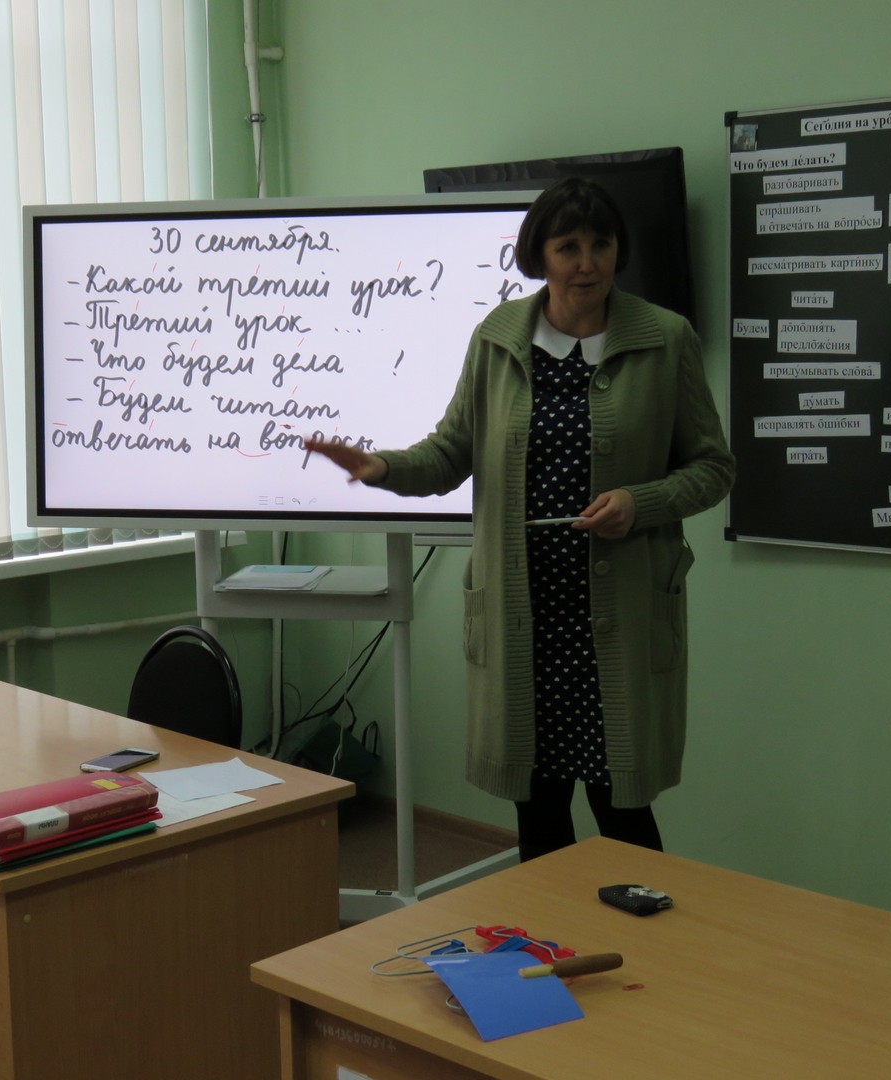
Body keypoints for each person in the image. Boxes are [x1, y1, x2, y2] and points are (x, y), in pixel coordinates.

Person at [304, 178, 734, 860]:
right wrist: (380, 467)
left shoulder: (665, 338)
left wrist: (639, 503)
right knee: (538, 810)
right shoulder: (498, 338)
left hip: (618, 618)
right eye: (569, 248)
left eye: (601, 245)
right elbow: (450, 454)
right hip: (524, 615)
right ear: (540, 256)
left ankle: (645, 929)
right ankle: (546, 930)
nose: (587, 263)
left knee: (623, 813)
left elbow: (712, 468)